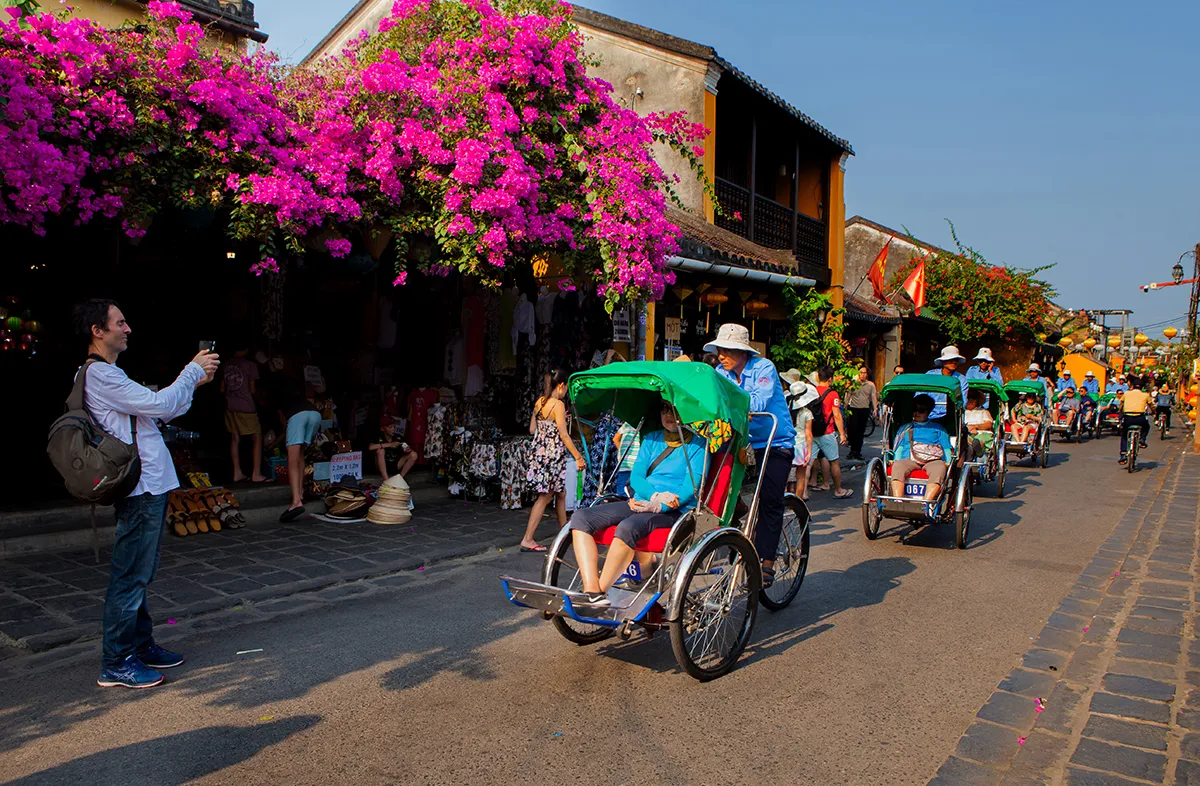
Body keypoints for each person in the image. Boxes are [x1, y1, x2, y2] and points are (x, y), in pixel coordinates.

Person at [73, 299, 220, 689]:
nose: (127, 328)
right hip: (139, 486)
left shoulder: (112, 375)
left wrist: (193, 382)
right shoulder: (101, 375)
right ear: (97, 331)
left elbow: (162, 412)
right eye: (119, 322)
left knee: (139, 571)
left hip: (149, 483)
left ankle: (140, 644)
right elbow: (160, 403)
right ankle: (117, 662)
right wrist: (190, 372)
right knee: (130, 574)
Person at [567, 399, 707, 606]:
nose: (669, 415)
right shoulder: (651, 439)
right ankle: (592, 590)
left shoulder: (697, 445)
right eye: (664, 409)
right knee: (581, 517)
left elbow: (691, 487)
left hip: (674, 510)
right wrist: (652, 498)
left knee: (627, 527)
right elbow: (637, 477)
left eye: (675, 409)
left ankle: (599, 594)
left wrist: (660, 505)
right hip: (641, 501)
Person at [705, 323, 798, 587]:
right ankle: (737, 526)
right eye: (720, 349)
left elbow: (757, 403)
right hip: (740, 441)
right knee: (719, 490)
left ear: (743, 352)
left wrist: (726, 401)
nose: (721, 355)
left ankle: (766, 562)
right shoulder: (720, 372)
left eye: (728, 349)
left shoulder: (764, 367)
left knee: (770, 499)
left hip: (775, 441)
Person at [520, 369, 585, 552]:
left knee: (560, 492)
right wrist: (578, 457)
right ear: (561, 385)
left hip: (540, 453)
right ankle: (528, 539)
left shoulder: (539, 402)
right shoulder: (557, 405)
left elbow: (533, 429)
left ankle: (565, 531)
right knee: (545, 496)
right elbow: (564, 435)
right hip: (552, 455)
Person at [890, 394, 953, 504]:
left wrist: (948, 462)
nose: (916, 413)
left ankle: (926, 503)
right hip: (909, 458)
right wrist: (895, 459)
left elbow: (946, 447)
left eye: (921, 410)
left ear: (928, 412)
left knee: (939, 469)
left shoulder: (938, 428)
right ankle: (898, 501)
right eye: (914, 410)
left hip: (933, 460)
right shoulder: (905, 428)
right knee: (898, 466)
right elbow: (899, 446)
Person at [219, 344, 266, 483]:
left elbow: (222, 389)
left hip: (230, 406)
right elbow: (252, 390)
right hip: (246, 406)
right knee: (257, 436)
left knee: (235, 438)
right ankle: (256, 473)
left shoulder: (226, 365)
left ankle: (237, 472)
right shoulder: (250, 365)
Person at [807, 365, 853, 499]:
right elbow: (837, 415)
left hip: (811, 432)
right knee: (834, 461)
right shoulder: (832, 394)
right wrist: (842, 434)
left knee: (808, 463)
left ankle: (803, 491)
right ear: (830, 379)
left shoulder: (811, 391)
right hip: (827, 432)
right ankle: (838, 490)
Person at [278, 383, 321, 523]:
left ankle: (296, 501)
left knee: (292, 459)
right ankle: (300, 493)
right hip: (315, 414)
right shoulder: (299, 398)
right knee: (301, 454)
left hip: (298, 417)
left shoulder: (279, 401)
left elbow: (284, 425)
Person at [789, 378, 817, 500]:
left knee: (785, 476)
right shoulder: (807, 413)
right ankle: (798, 501)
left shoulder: (786, 410)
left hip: (788, 444)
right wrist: (809, 452)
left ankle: (785, 497)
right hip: (801, 446)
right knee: (800, 476)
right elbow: (808, 434)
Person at [926, 345, 969, 420]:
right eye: (950, 359)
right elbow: (920, 396)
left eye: (956, 360)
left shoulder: (962, 379)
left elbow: (963, 402)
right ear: (943, 361)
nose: (953, 362)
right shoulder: (930, 375)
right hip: (928, 416)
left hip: (951, 418)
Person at [370, 414, 417, 481]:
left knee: (414, 454)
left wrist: (408, 450)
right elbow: (371, 447)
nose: (393, 429)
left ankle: (400, 478)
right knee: (380, 451)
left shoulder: (398, 437)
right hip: (382, 465)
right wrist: (390, 444)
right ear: (382, 429)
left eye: (394, 427)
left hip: (396, 464)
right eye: (390, 427)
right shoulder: (379, 437)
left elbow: (406, 448)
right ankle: (386, 479)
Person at [845, 367, 878, 461]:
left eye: (864, 373)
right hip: (853, 409)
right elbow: (848, 395)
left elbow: (873, 397)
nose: (862, 375)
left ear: (867, 374)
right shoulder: (854, 384)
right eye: (861, 373)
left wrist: (875, 409)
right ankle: (852, 451)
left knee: (860, 431)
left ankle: (857, 452)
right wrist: (845, 405)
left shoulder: (871, 385)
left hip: (864, 409)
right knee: (852, 430)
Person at [1119, 379, 1151, 464]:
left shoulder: (1126, 393)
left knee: (1124, 435)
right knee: (1146, 426)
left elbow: (1121, 404)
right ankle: (1142, 440)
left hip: (1127, 418)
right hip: (1140, 418)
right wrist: (1154, 413)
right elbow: (1151, 406)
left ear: (1132, 386)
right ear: (1142, 387)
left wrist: (1120, 412)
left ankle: (1123, 455)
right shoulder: (1145, 395)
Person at [611, 420, 641, 495]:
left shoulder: (627, 424)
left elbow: (615, 439)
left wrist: (622, 452)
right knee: (635, 492)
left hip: (624, 463)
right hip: (637, 464)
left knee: (622, 492)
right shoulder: (644, 425)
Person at [964, 389, 994, 458]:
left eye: (974, 398)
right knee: (965, 438)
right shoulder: (962, 413)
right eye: (969, 398)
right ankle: (973, 448)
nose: (971, 400)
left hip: (982, 433)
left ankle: (977, 447)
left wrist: (975, 427)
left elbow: (988, 425)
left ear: (977, 400)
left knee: (980, 439)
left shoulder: (983, 411)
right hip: (967, 434)